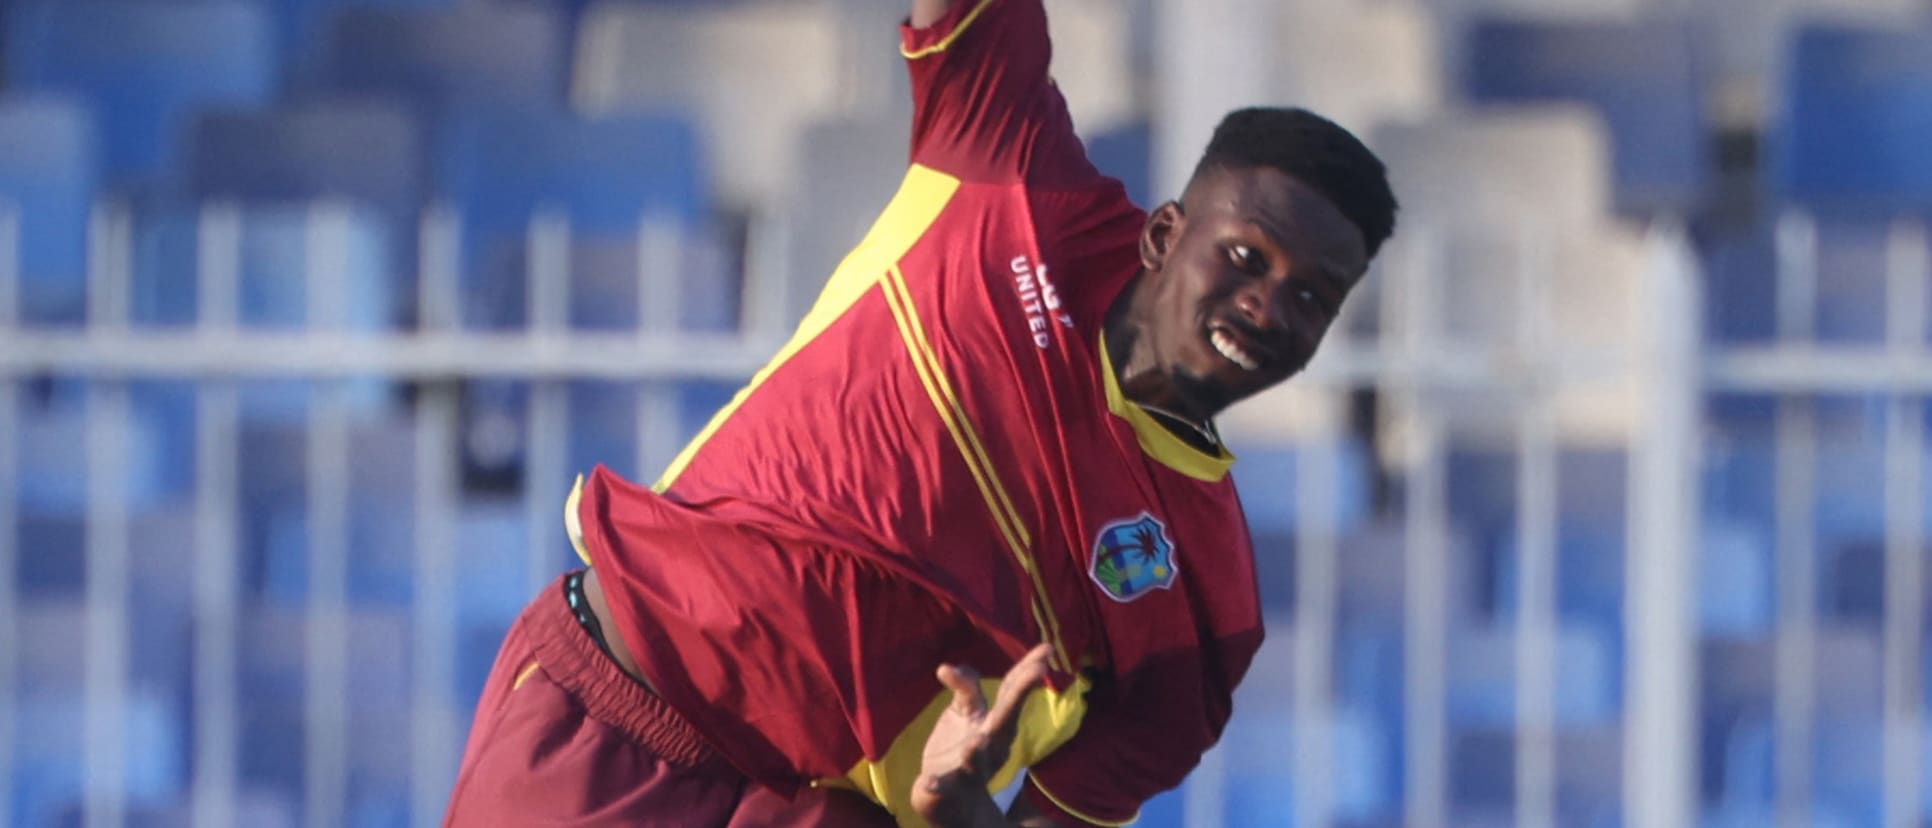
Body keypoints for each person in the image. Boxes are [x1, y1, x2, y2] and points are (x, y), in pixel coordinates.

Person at [443, 0, 1397, 824]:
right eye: (1247, 258)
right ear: (1163, 235)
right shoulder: (1012, 175)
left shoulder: (1208, 613)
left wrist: (962, 807)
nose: (1269, 309)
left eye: (1314, 297)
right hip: (615, 717)